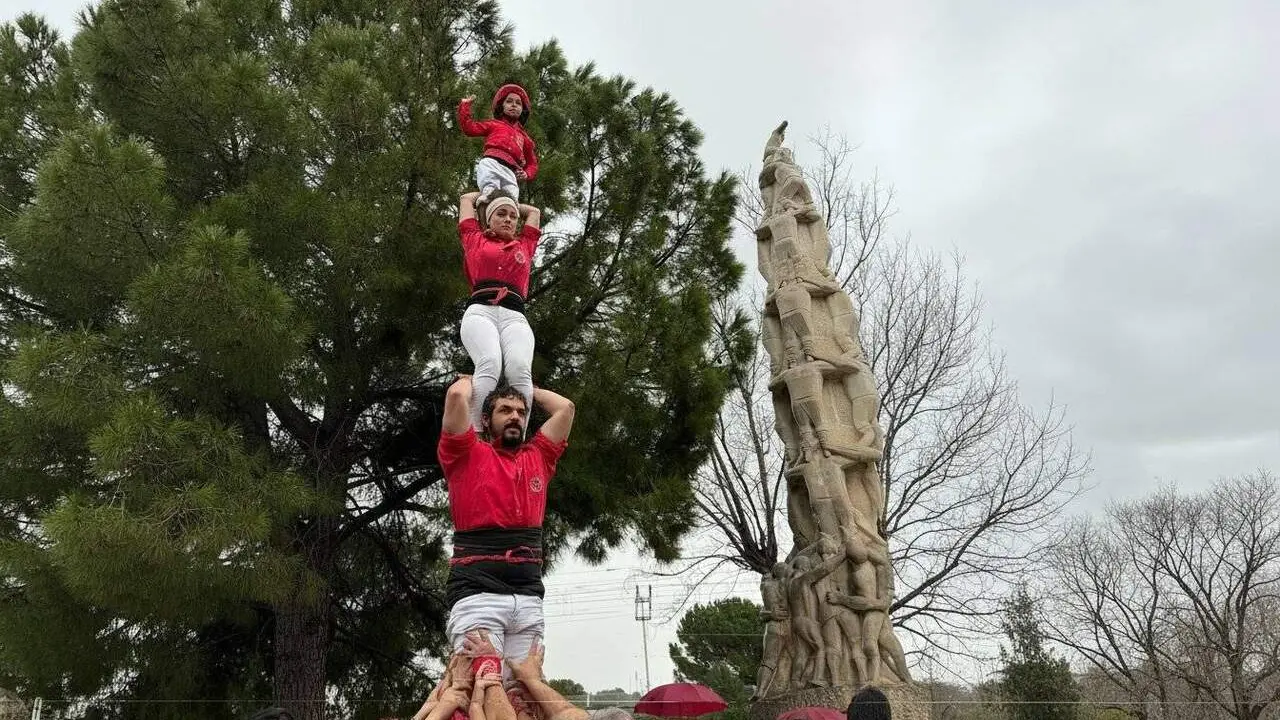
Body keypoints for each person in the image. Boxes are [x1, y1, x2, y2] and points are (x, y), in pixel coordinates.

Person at [438, 375, 575, 682]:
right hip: (477, 595)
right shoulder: (465, 453)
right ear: (485, 420)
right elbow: (457, 399)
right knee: (477, 688)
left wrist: (530, 388)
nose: (515, 415)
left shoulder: (539, 456)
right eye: (505, 410)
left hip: (527, 597)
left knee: (524, 697)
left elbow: (565, 409)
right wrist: (477, 377)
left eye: (521, 411)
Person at [456, 190, 542, 433]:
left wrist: (511, 201)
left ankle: (519, 438)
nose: (508, 219)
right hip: (481, 311)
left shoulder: (525, 244)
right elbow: (466, 200)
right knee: (490, 363)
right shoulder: (474, 238)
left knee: (519, 369)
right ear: (488, 218)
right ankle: (478, 433)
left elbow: (534, 212)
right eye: (501, 214)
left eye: (513, 216)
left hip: (515, 315)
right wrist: (488, 194)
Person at [458, 83, 538, 204]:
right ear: (502, 106)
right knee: (489, 187)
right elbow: (469, 128)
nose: (514, 105)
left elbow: (533, 163)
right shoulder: (493, 124)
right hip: (492, 163)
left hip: (511, 171)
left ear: (523, 110)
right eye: (509, 101)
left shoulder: (525, 138)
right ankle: (486, 201)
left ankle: (507, 212)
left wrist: (526, 174)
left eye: (518, 103)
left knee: (511, 199)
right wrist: (465, 106)